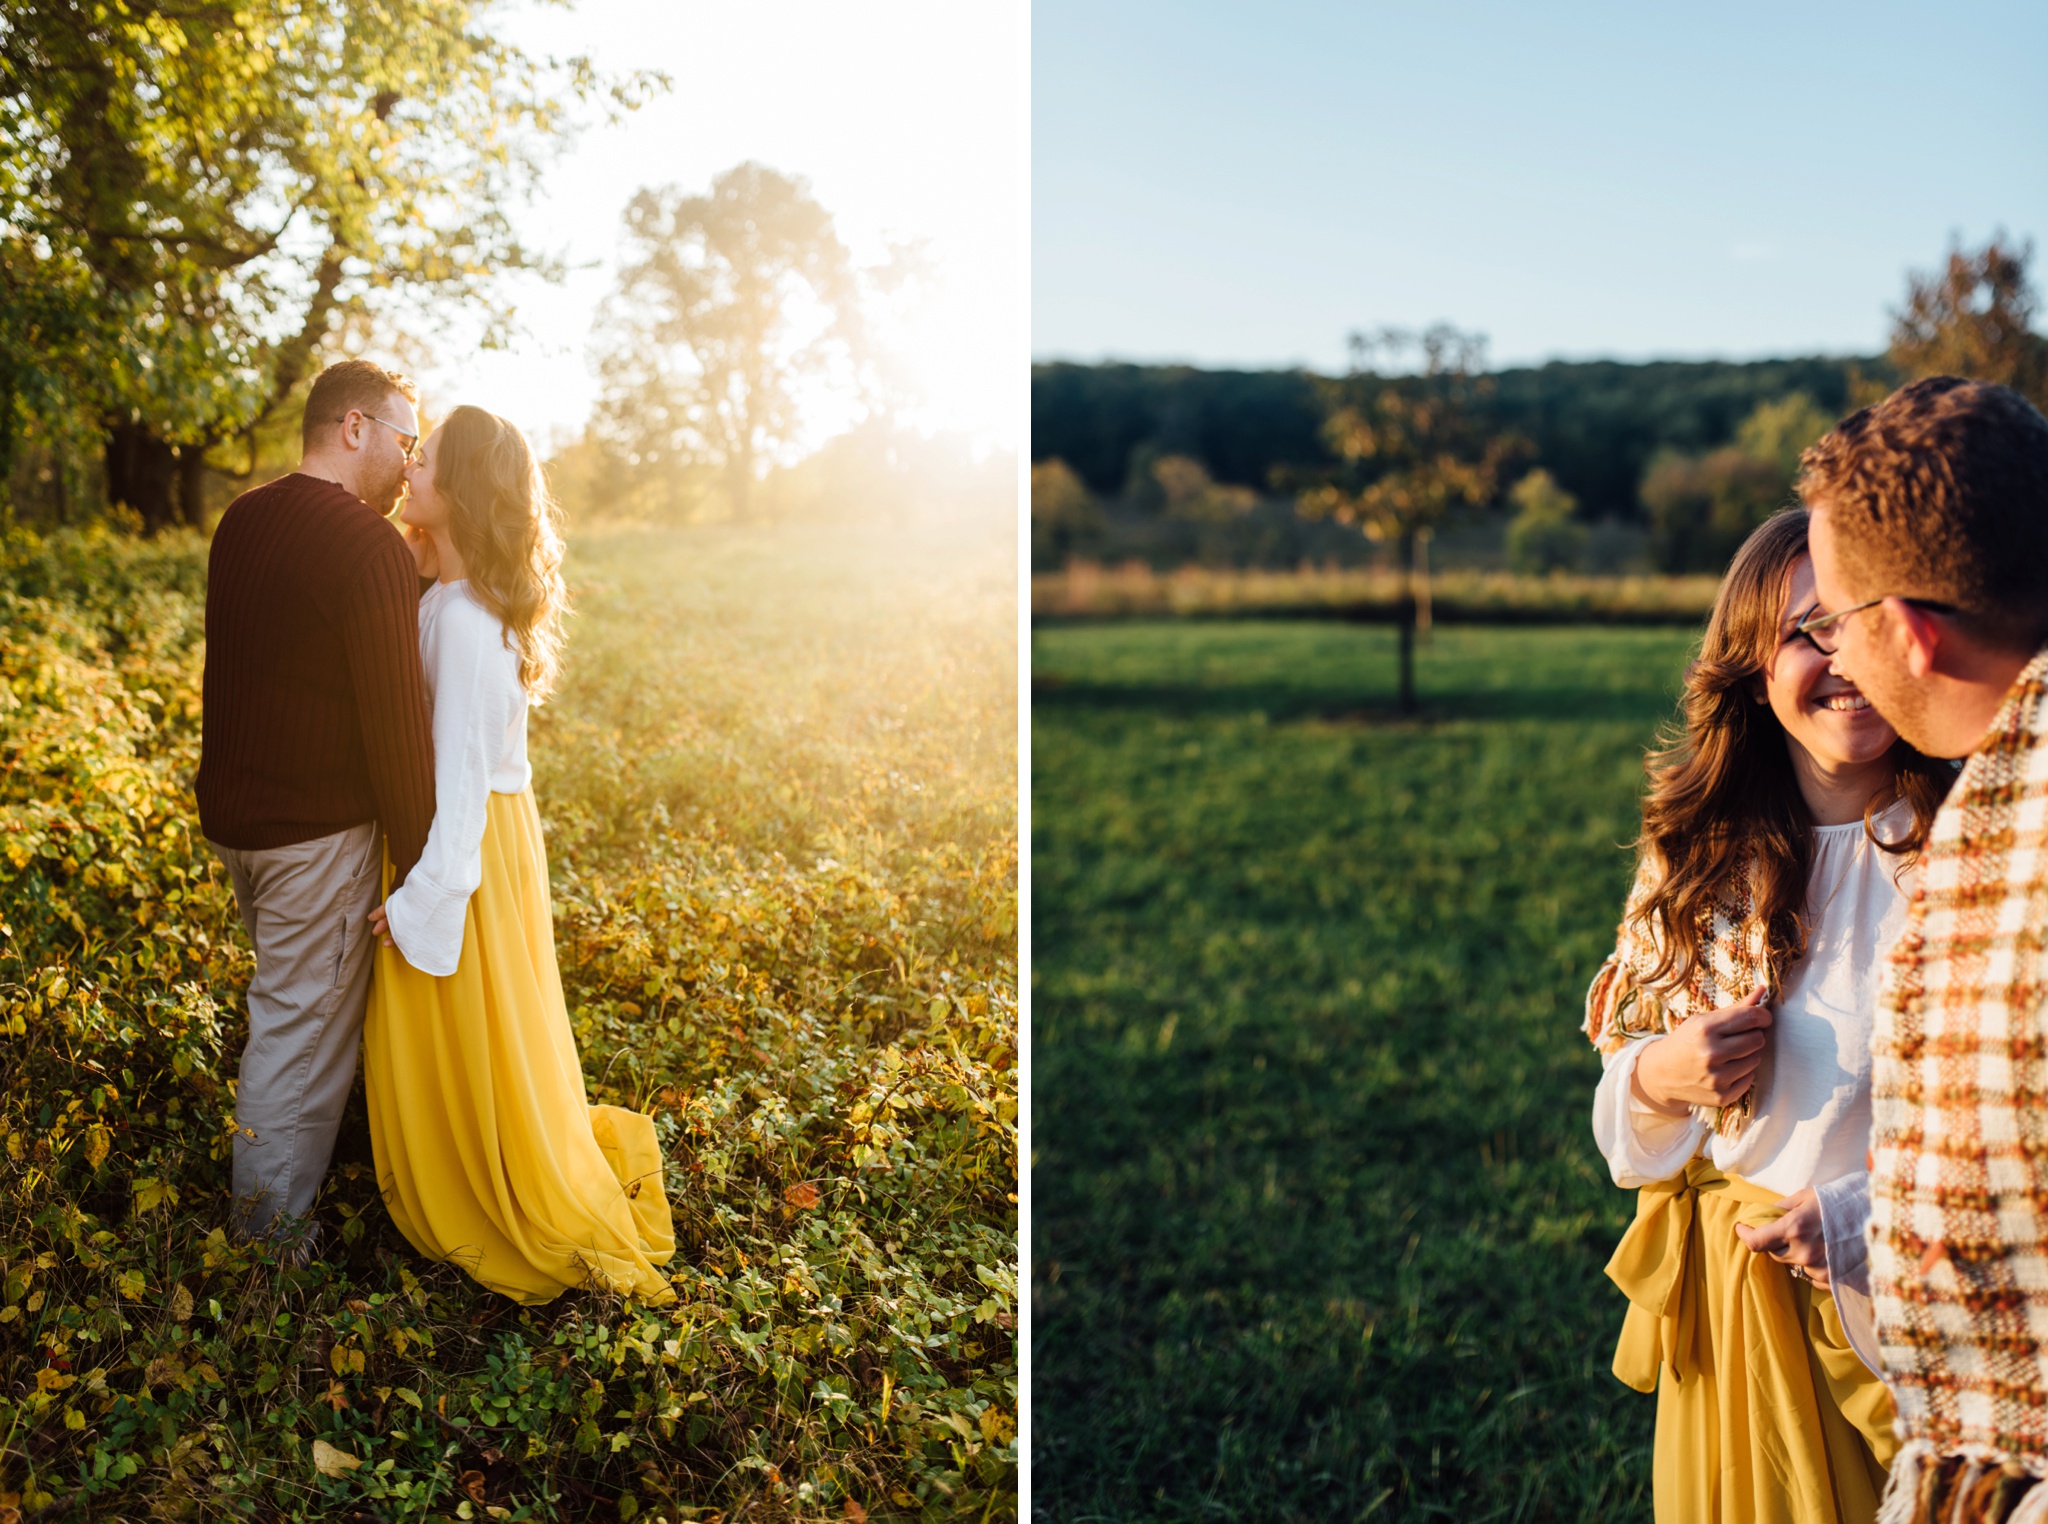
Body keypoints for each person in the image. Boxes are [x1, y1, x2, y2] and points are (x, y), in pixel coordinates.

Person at [1585, 507, 1953, 1523]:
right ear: (1748, 666)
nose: (1842, 658)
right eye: (1805, 632)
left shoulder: (1971, 859)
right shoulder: (1695, 860)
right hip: (1737, 1324)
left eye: (1864, 621)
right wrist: (1658, 1077)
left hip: (1905, 1330)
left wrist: (1860, 1220)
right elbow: (1626, 1131)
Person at [1800, 377, 2048, 1524]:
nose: (1834, 653)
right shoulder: (1993, 792)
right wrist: (1869, 1215)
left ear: (1905, 629)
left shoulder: (2008, 862)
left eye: (1834, 620)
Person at [362, 404, 675, 1304]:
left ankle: (484, 1184)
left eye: (426, 464)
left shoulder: (464, 622)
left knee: (477, 1024)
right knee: (486, 1028)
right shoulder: (456, 599)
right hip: (482, 835)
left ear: (462, 491)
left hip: (467, 846)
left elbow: (459, 777)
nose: (408, 470)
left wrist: (423, 899)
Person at [197, 359, 435, 1256]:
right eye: (404, 441)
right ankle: (267, 1254)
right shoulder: (363, 545)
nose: (408, 466)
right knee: (296, 1037)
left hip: (239, 825)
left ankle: (282, 1206)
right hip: (314, 835)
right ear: (353, 428)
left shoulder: (241, 519)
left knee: (286, 1010)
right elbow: (395, 725)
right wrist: (420, 866)